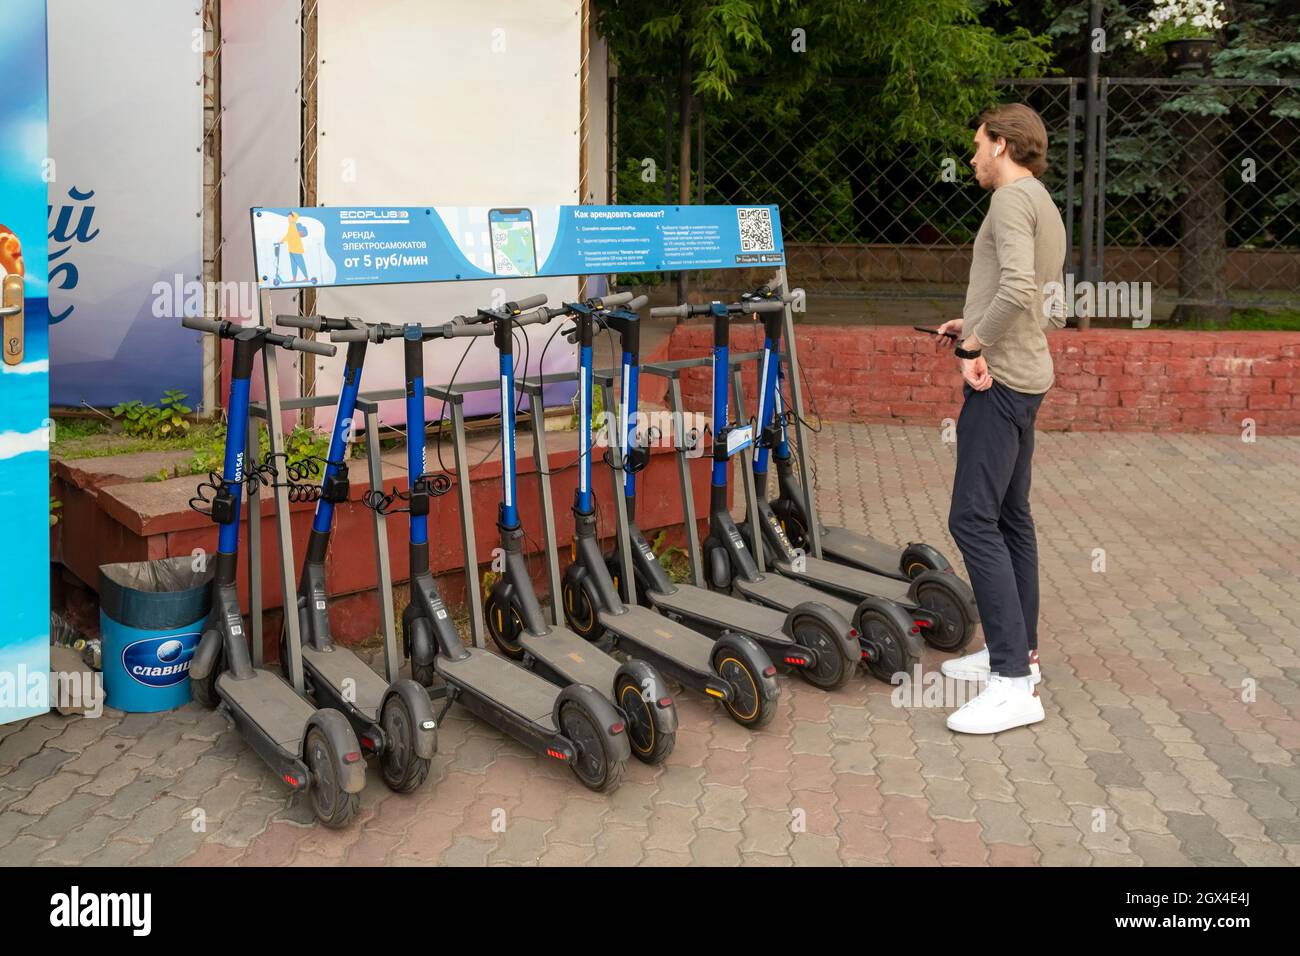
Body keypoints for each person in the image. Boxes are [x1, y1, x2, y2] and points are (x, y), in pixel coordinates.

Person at [936, 103, 1066, 735]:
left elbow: (1018, 290)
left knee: (972, 519)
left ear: (1003, 144)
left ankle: (1012, 684)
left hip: (1003, 384)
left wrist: (974, 346)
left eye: (978, 145)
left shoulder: (1010, 201)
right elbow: (1046, 302)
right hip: (1028, 376)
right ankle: (1019, 656)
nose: (972, 157)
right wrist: (976, 322)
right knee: (1012, 518)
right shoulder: (1043, 199)